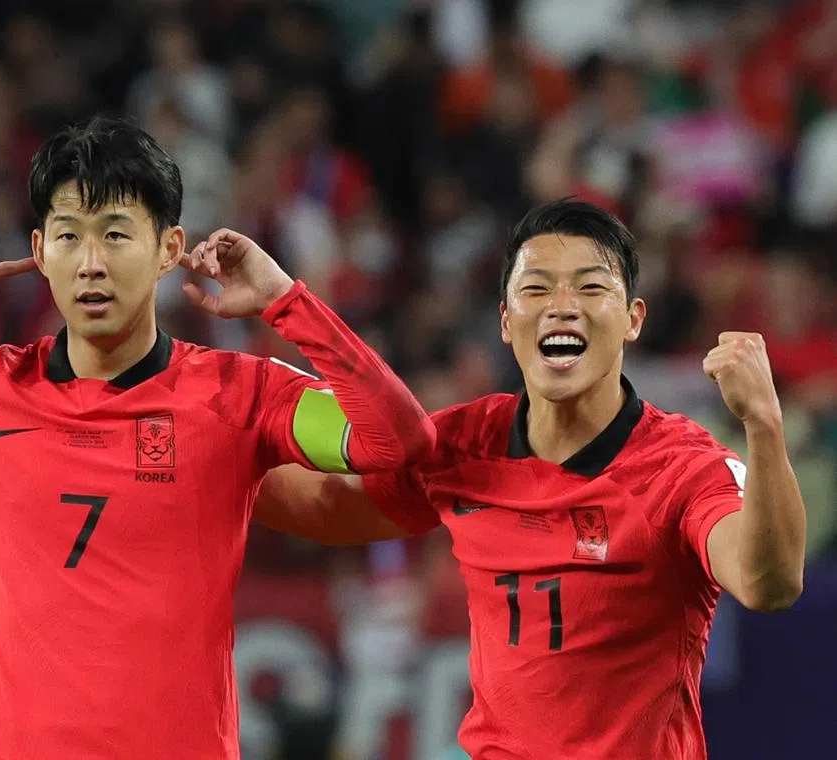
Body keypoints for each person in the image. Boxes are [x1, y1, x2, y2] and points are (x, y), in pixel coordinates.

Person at [0, 116, 436, 759]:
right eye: (69, 235)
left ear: (169, 249)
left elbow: (396, 439)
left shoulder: (240, 394)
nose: (91, 262)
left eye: (116, 232)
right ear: (40, 251)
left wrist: (291, 303)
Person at [254, 199, 807, 760]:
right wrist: (198, 453)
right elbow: (327, 508)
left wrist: (763, 424)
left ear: (633, 319)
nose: (562, 308)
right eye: (537, 289)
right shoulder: (464, 444)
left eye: (591, 289)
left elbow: (769, 584)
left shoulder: (682, 466)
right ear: (504, 321)